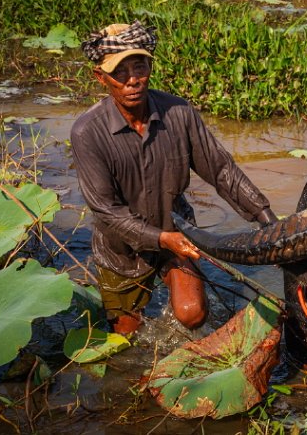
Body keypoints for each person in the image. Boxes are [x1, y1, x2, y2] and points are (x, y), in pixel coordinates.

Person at [71, 21, 277, 335]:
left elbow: (221, 170)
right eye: (120, 72)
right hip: (120, 250)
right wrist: (160, 238)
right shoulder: (88, 133)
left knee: (192, 314)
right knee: (127, 336)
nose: (133, 80)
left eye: (139, 67)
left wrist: (267, 220)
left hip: (175, 230)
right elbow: (106, 212)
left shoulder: (178, 113)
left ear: (150, 66)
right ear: (101, 77)